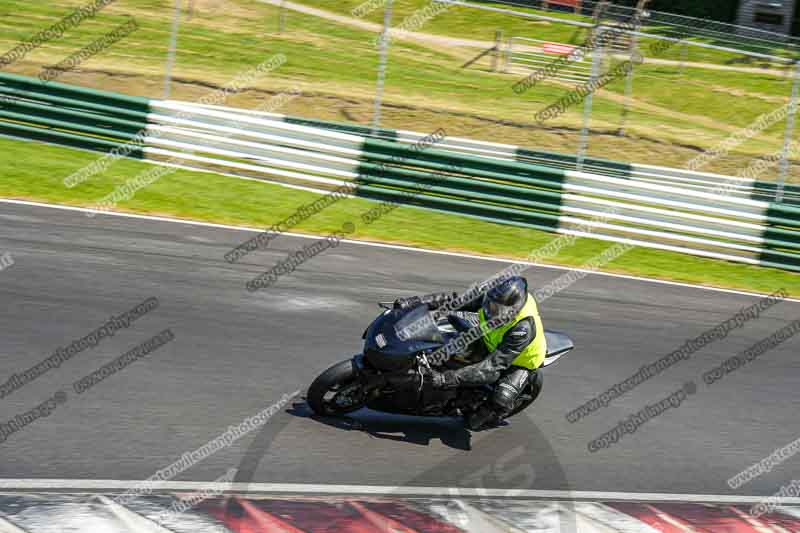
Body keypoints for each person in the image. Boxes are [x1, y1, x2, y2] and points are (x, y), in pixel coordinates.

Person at [393, 276, 546, 430]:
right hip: (489, 341)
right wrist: (414, 302)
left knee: (497, 402)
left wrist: (445, 379)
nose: (492, 310)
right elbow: (453, 300)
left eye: (499, 310)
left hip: (519, 361)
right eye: (491, 304)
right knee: (445, 339)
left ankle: (493, 413)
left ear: (514, 309)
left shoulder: (522, 329)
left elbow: (491, 368)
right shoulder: (492, 298)